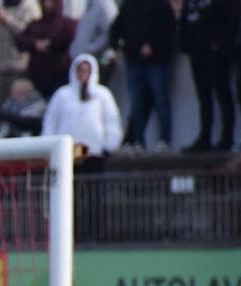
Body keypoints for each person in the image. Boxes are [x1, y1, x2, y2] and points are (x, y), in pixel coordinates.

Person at [110, 0, 176, 153]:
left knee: (161, 101)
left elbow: (169, 30)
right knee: (136, 103)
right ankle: (138, 141)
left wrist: (153, 46)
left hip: (157, 61)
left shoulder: (161, 5)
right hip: (133, 61)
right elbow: (115, 29)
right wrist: (118, 48)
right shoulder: (129, 5)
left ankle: (164, 140)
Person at [42, 54, 122, 171]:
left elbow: (111, 120)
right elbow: (51, 120)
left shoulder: (102, 94)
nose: (82, 74)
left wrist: (110, 145)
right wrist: (49, 144)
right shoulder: (62, 94)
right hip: (67, 151)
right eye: (79, 70)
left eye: (85, 70)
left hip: (94, 151)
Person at [179, 0, 237, 152]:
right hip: (196, 51)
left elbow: (230, 19)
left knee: (223, 93)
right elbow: (185, 19)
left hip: (217, 51)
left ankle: (227, 137)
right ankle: (204, 137)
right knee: (204, 97)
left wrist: (221, 43)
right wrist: (185, 43)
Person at [0, 0, 41, 109]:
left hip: (19, 66)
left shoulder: (29, 6)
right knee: (0, 105)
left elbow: (30, 33)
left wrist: (7, 20)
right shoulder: (1, 7)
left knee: (17, 104)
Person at [14, 0, 77, 99]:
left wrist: (50, 44)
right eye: (45, 2)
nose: (47, 5)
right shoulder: (35, 24)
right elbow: (20, 41)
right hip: (36, 79)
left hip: (59, 76)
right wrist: (35, 44)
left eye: (51, 2)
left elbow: (69, 40)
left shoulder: (68, 24)